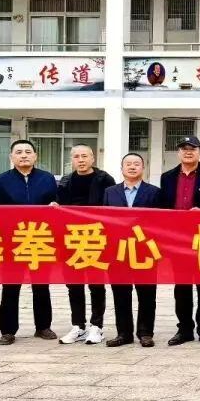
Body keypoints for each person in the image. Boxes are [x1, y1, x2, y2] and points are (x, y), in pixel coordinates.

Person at [159, 136, 200, 346]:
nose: (188, 152)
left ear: (199, 152)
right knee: (181, 287)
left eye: (193, 148)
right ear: (178, 152)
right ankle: (184, 329)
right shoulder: (167, 177)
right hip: (177, 239)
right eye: (184, 148)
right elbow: (162, 208)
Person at [0, 139, 58, 346]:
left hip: (40, 238)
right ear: (11, 157)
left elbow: (56, 206)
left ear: (35, 156)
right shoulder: (2, 180)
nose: (24, 155)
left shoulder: (47, 178)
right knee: (10, 286)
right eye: (18, 152)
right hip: (13, 242)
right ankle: (8, 330)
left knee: (41, 285)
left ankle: (43, 326)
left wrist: (55, 206)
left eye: (28, 152)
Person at [54, 144, 116, 345]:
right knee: (74, 285)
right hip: (71, 239)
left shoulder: (105, 179)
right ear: (72, 160)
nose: (81, 160)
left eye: (84, 156)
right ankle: (78, 326)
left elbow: (111, 208)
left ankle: (97, 326)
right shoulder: (65, 181)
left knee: (96, 284)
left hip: (96, 237)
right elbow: (59, 206)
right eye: (76, 157)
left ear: (92, 158)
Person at [104, 153, 161, 348]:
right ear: (122, 169)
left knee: (147, 294)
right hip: (118, 250)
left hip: (145, 250)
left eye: (137, 164)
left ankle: (145, 333)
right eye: (128, 164)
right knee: (121, 293)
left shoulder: (154, 192)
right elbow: (103, 220)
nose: (132, 167)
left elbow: (161, 222)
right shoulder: (110, 192)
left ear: (143, 168)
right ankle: (124, 333)